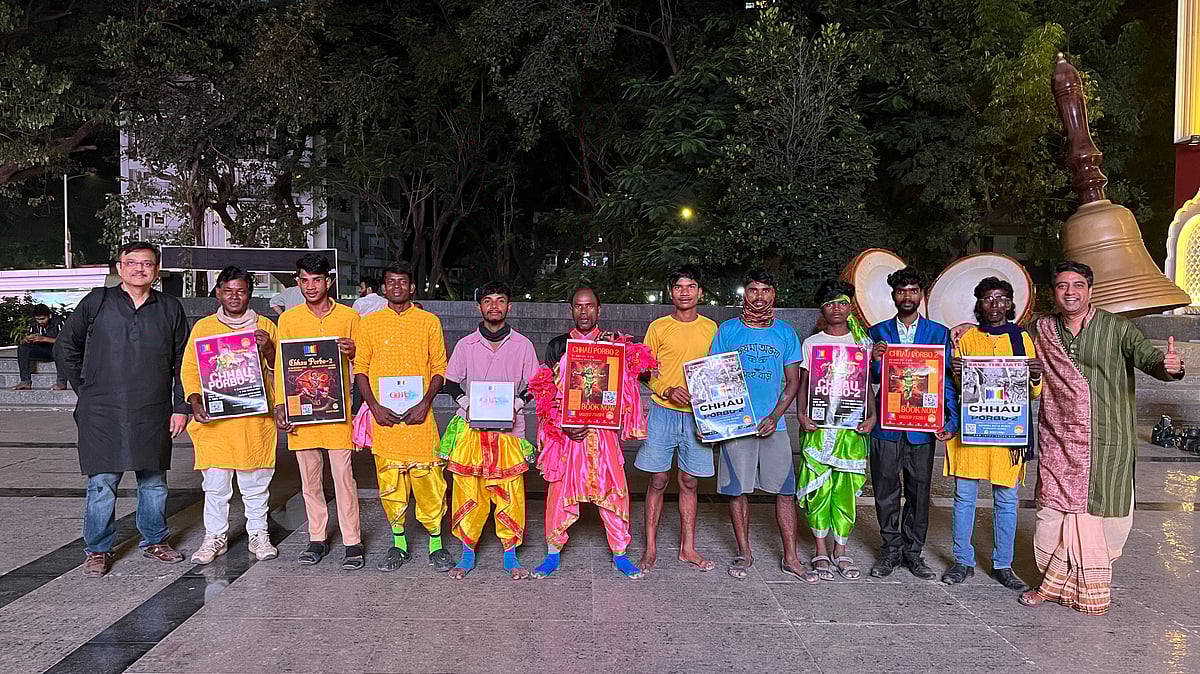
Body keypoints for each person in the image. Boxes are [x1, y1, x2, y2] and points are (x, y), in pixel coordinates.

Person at [1018, 261, 1184, 614]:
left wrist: (1170, 367)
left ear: (1090, 290)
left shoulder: (1118, 329)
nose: (1070, 293)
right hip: (1057, 439)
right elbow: (1003, 336)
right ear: (1054, 292)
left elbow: (1150, 358)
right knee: (1050, 513)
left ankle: (1074, 585)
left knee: (1104, 514)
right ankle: (1050, 583)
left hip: (1106, 440)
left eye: (1078, 285)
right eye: (1063, 286)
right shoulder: (1042, 329)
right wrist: (967, 326)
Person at [54, 241, 190, 578]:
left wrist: (180, 406)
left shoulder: (170, 308)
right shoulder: (97, 302)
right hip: (102, 410)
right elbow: (65, 346)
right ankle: (98, 549)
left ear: (156, 270)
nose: (139, 269)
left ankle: (155, 540)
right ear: (119, 268)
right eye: (132, 263)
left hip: (152, 407)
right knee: (102, 482)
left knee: (154, 480)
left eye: (146, 263)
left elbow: (182, 362)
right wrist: (85, 390)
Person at [529, 287, 649, 579]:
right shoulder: (559, 345)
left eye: (590, 306)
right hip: (568, 435)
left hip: (602, 433)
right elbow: (547, 391)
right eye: (579, 307)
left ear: (599, 309)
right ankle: (552, 552)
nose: (584, 312)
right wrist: (565, 424)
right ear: (571, 310)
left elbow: (633, 380)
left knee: (614, 490)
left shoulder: (611, 345)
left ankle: (620, 554)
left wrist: (624, 352)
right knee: (559, 492)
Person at [709, 269, 816, 583]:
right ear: (744, 293)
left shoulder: (784, 333)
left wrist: (775, 416)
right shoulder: (728, 331)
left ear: (774, 294)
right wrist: (714, 423)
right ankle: (745, 552)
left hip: (775, 426)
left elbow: (794, 383)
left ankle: (791, 557)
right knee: (737, 491)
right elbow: (715, 378)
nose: (759, 296)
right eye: (753, 290)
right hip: (736, 424)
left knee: (785, 492)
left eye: (765, 290)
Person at [354, 261, 455, 573]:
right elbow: (361, 368)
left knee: (430, 483)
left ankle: (436, 545)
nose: (396, 287)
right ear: (383, 288)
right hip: (385, 421)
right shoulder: (370, 324)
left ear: (412, 287)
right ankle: (399, 544)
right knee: (391, 484)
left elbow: (440, 367)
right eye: (390, 282)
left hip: (420, 420)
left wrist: (426, 402)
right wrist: (373, 406)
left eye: (402, 282)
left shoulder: (428, 322)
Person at [941, 277, 1040, 590]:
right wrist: (957, 375)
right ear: (979, 303)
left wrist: (1035, 377)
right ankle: (962, 560)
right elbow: (959, 390)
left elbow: (1032, 392)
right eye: (988, 299)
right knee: (964, 498)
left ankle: (1003, 564)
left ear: (1010, 304)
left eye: (1001, 299)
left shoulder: (1021, 338)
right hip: (971, 433)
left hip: (1006, 434)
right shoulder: (967, 337)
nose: (995, 305)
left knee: (1006, 500)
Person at [439, 280, 540, 580]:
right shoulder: (465, 345)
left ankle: (510, 556)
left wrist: (518, 404)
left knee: (510, 492)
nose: (494, 306)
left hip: (509, 431)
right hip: (471, 430)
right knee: (468, 490)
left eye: (500, 300)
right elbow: (451, 382)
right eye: (488, 300)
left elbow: (536, 384)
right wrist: (467, 402)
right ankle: (467, 553)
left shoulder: (523, 345)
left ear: (510, 306)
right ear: (478, 307)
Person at [181, 266, 279, 564]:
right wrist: (195, 401)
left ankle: (259, 535)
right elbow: (191, 370)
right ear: (218, 292)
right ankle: (215, 537)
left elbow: (282, 371)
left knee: (255, 484)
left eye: (241, 290)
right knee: (215, 486)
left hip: (253, 422)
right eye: (228, 290)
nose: (234, 296)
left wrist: (270, 349)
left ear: (251, 293)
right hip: (217, 424)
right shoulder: (204, 328)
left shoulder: (265, 327)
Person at [866, 266, 958, 580]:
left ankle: (913, 553)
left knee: (919, 492)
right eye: (901, 291)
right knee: (885, 491)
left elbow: (945, 379)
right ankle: (890, 551)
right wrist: (874, 361)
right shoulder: (876, 332)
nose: (908, 296)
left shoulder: (938, 333)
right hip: (887, 427)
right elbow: (869, 380)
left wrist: (951, 418)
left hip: (922, 426)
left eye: (913, 290)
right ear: (893, 295)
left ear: (922, 294)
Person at [273, 253, 364, 569]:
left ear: (329, 281)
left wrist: (354, 352)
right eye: (305, 280)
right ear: (298, 282)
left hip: (337, 412)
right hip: (303, 413)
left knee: (344, 478)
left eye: (317, 279)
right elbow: (282, 368)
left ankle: (352, 540)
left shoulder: (349, 317)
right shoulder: (289, 319)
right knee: (309, 481)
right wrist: (281, 405)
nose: (311, 286)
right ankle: (317, 538)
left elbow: (363, 362)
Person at [635, 264, 718, 572]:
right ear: (671, 292)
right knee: (657, 480)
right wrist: (666, 389)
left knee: (689, 481)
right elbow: (644, 371)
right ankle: (651, 549)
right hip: (662, 412)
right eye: (679, 286)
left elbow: (719, 370)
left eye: (691, 286)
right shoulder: (658, 327)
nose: (685, 291)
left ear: (701, 292)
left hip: (699, 416)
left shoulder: (711, 328)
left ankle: (688, 548)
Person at [795, 280, 876, 581]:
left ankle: (840, 550)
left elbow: (866, 386)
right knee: (819, 489)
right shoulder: (812, 343)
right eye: (830, 304)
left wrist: (873, 415)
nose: (836, 308)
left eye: (842, 302)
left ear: (850, 306)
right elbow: (804, 384)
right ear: (822, 309)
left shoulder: (862, 343)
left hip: (850, 431)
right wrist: (801, 415)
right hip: (819, 428)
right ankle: (819, 549)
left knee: (844, 491)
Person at [13, 304, 67, 390]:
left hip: (59, 352)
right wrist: (28, 339)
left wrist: (45, 339)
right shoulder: (33, 323)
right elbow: (29, 338)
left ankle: (61, 382)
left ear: (49, 316)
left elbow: (67, 341)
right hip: (43, 351)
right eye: (38, 319)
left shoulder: (59, 321)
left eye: (43, 319)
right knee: (23, 348)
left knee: (59, 348)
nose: (40, 321)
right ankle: (25, 381)